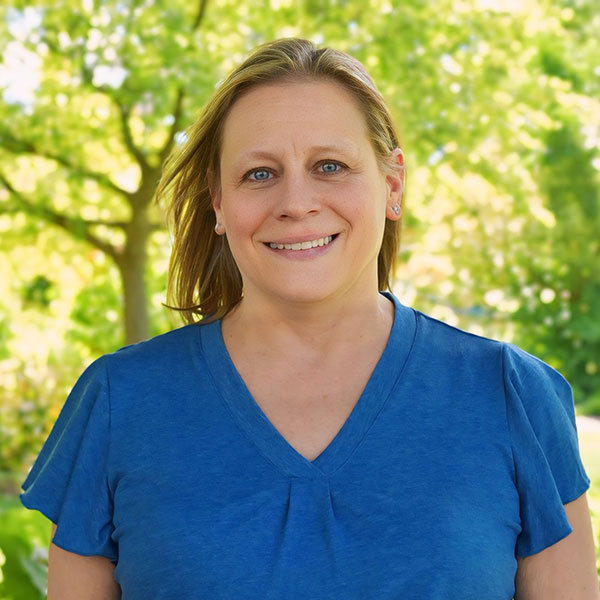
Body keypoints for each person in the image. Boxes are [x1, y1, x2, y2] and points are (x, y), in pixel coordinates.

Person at [20, 38, 598, 599]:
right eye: (260, 174)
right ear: (219, 203)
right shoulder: (119, 402)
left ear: (392, 185)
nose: (296, 202)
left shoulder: (512, 395)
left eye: (329, 165)